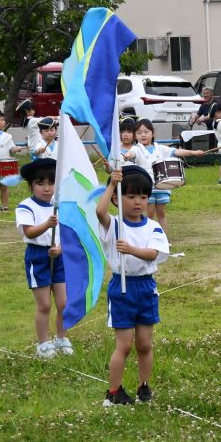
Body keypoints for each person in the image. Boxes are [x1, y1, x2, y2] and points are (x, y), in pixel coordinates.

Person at [94, 165, 171, 407]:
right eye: (130, 196)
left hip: (145, 288)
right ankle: (114, 391)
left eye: (143, 197)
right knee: (124, 345)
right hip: (122, 288)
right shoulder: (114, 225)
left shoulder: (153, 227)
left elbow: (153, 253)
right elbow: (99, 211)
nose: (138, 202)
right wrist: (110, 184)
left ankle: (143, 386)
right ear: (117, 198)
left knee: (145, 344)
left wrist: (132, 250)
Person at [15, 158, 72, 358]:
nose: (46, 188)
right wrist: (47, 225)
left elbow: (68, 233)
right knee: (44, 305)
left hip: (58, 256)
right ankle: (43, 344)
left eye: (50, 183)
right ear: (31, 186)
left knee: (63, 303)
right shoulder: (26, 206)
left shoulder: (60, 205)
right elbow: (29, 232)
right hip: (38, 257)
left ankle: (61, 337)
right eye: (40, 184)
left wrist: (61, 248)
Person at [124, 118, 205, 229]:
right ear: (135, 136)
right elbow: (131, 153)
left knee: (161, 214)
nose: (143, 135)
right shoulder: (136, 149)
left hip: (163, 186)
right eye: (139, 133)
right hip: (147, 188)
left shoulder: (160, 148)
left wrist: (193, 152)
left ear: (153, 134)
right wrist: (127, 155)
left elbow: (176, 152)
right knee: (150, 214)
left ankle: (164, 241)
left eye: (146, 132)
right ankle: (149, 239)